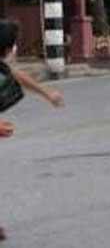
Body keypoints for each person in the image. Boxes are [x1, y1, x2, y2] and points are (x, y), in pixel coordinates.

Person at [0, 19, 64, 242]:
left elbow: (16, 75)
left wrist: (47, 93)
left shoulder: (2, 66)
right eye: (14, 44)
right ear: (8, 48)